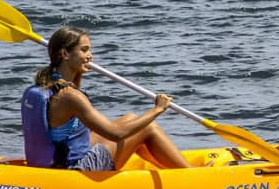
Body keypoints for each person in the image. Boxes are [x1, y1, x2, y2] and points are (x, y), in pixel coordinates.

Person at [21, 26, 190, 170]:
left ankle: (167, 169)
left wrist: (77, 73)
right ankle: (190, 174)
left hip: (54, 161)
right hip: (74, 169)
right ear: (65, 54)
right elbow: (116, 134)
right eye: (84, 50)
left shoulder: (39, 88)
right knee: (147, 127)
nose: (90, 56)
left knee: (130, 118)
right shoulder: (70, 96)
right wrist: (158, 109)